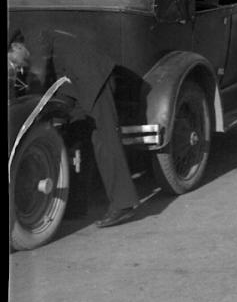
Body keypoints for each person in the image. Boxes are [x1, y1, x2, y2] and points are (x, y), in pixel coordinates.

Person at [9, 30, 140, 228]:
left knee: (105, 139)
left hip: (94, 81)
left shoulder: (35, 39)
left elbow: (36, 83)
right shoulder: (32, 47)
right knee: (74, 135)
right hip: (76, 86)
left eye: (12, 60)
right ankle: (76, 205)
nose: (16, 66)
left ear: (17, 47)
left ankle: (124, 205)